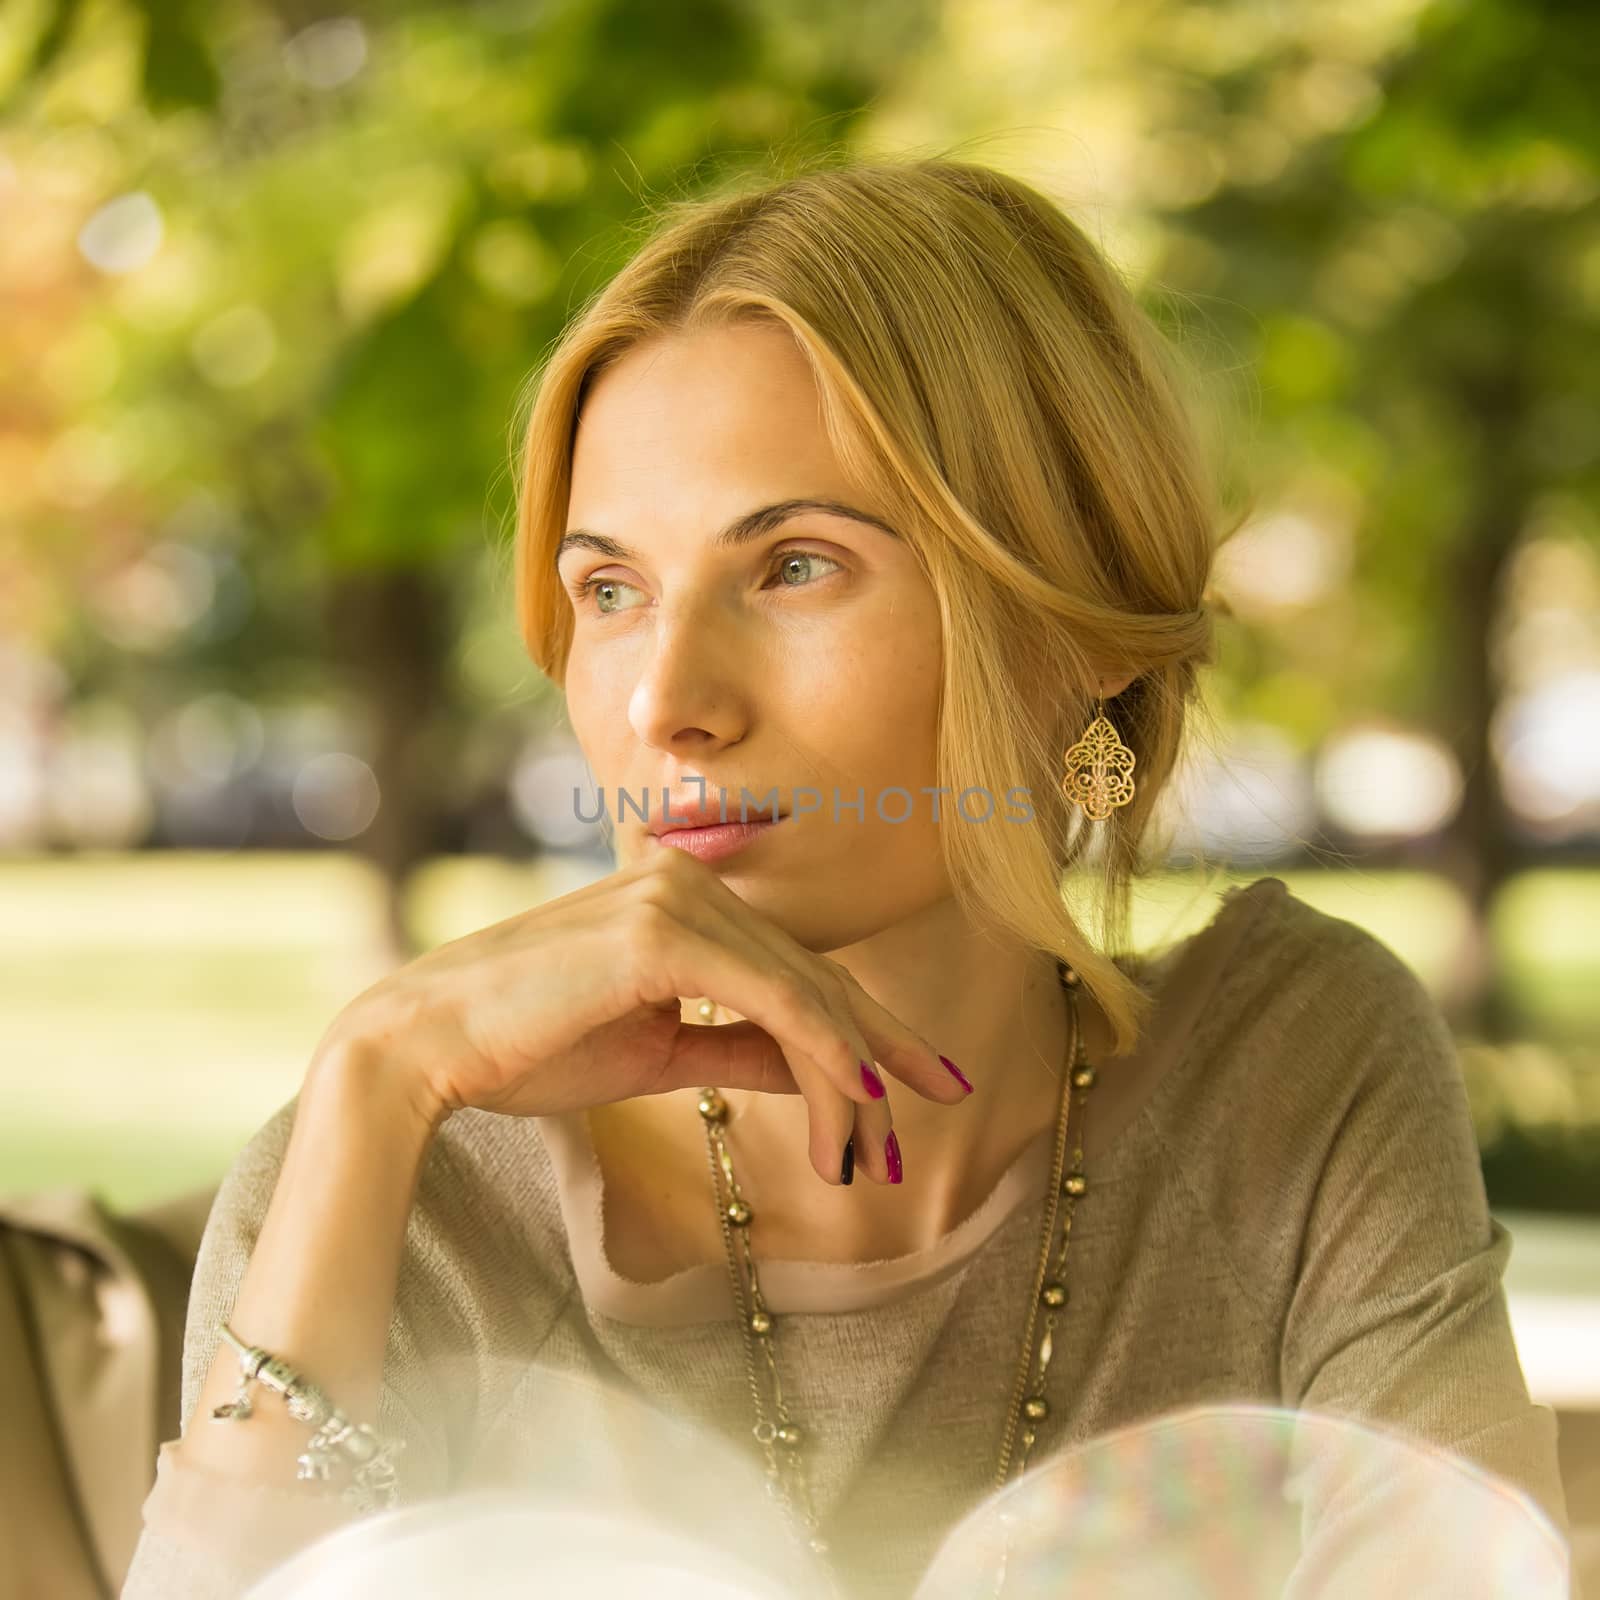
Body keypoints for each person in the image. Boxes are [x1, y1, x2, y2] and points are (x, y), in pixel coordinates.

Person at [119, 155, 1574, 1600]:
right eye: (611, 592)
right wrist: (374, 1076)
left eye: (795, 566)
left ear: (1078, 633)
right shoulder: (397, 1179)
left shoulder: (1288, 1072)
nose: (665, 701)